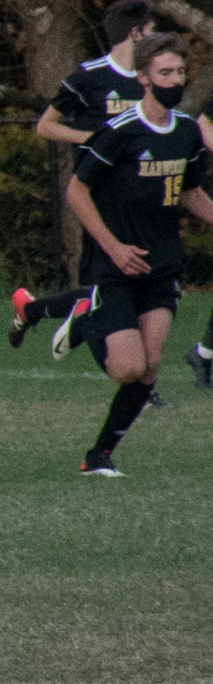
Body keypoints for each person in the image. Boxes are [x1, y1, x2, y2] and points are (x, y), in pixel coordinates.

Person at [64, 33, 213, 475]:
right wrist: (112, 245)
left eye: (180, 72)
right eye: (166, 72)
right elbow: (77, 190)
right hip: (113, 265)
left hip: (162, 265)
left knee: (149, 367)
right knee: (126, 369)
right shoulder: (119, 131)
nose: (175, 80)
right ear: (144, 78)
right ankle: (84, 315)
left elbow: (189, 192)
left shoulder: (187, 131)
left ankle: (99, 458)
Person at [10, 0, 158, 371]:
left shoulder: (151, 81)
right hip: (98, 196)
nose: (155, 38)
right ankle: (124, 369)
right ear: (135, 33)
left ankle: (35, 310)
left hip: (140, 197)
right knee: (109, 285)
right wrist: (91, 138)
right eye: (152, 31)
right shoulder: (89, 77)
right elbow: (45, 125)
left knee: (139, 282)